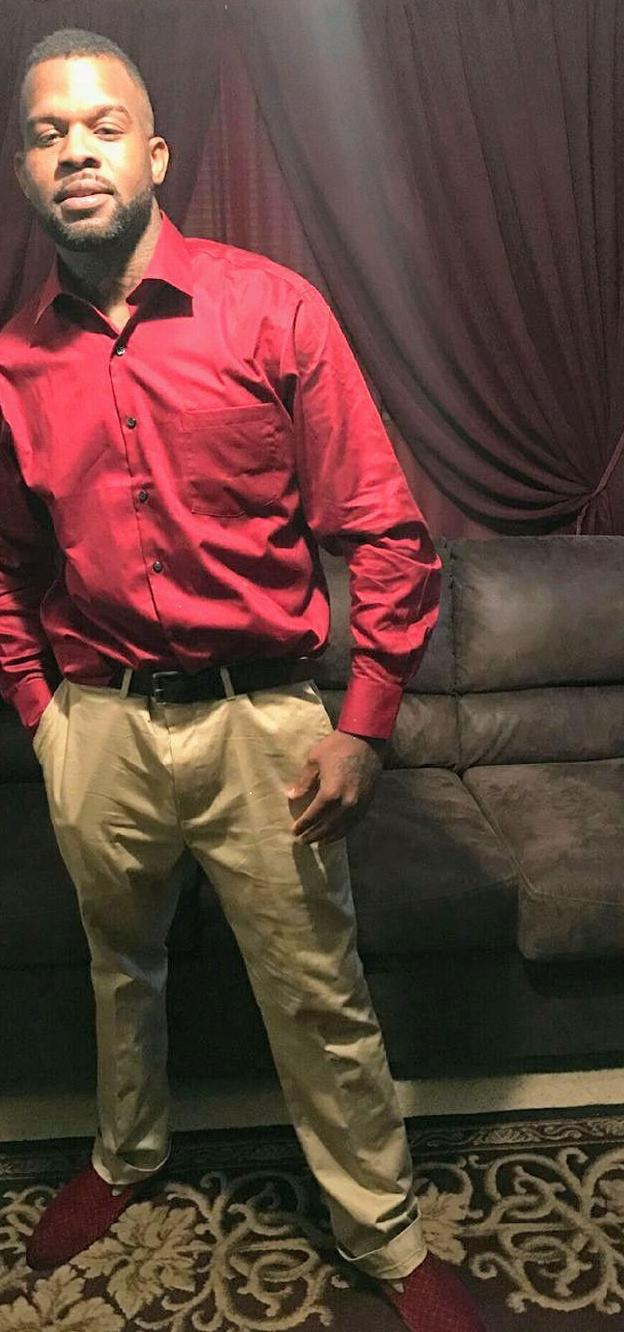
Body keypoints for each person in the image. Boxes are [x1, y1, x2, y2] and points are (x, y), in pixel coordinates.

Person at [0, 27, 485, 1332]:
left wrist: (365, 725)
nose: (75, 150)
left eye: (103, 125)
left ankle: (384, 1233)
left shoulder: (272, 310)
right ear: (26, 171)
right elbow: (6, 567)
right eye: (46, 133)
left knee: (319, 996)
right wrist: (45, 719)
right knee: (121, 968)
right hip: (99, 728)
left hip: (263, 722)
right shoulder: (12, 365)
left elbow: (387, 533)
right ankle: (125, 1157)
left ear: (156, 154)